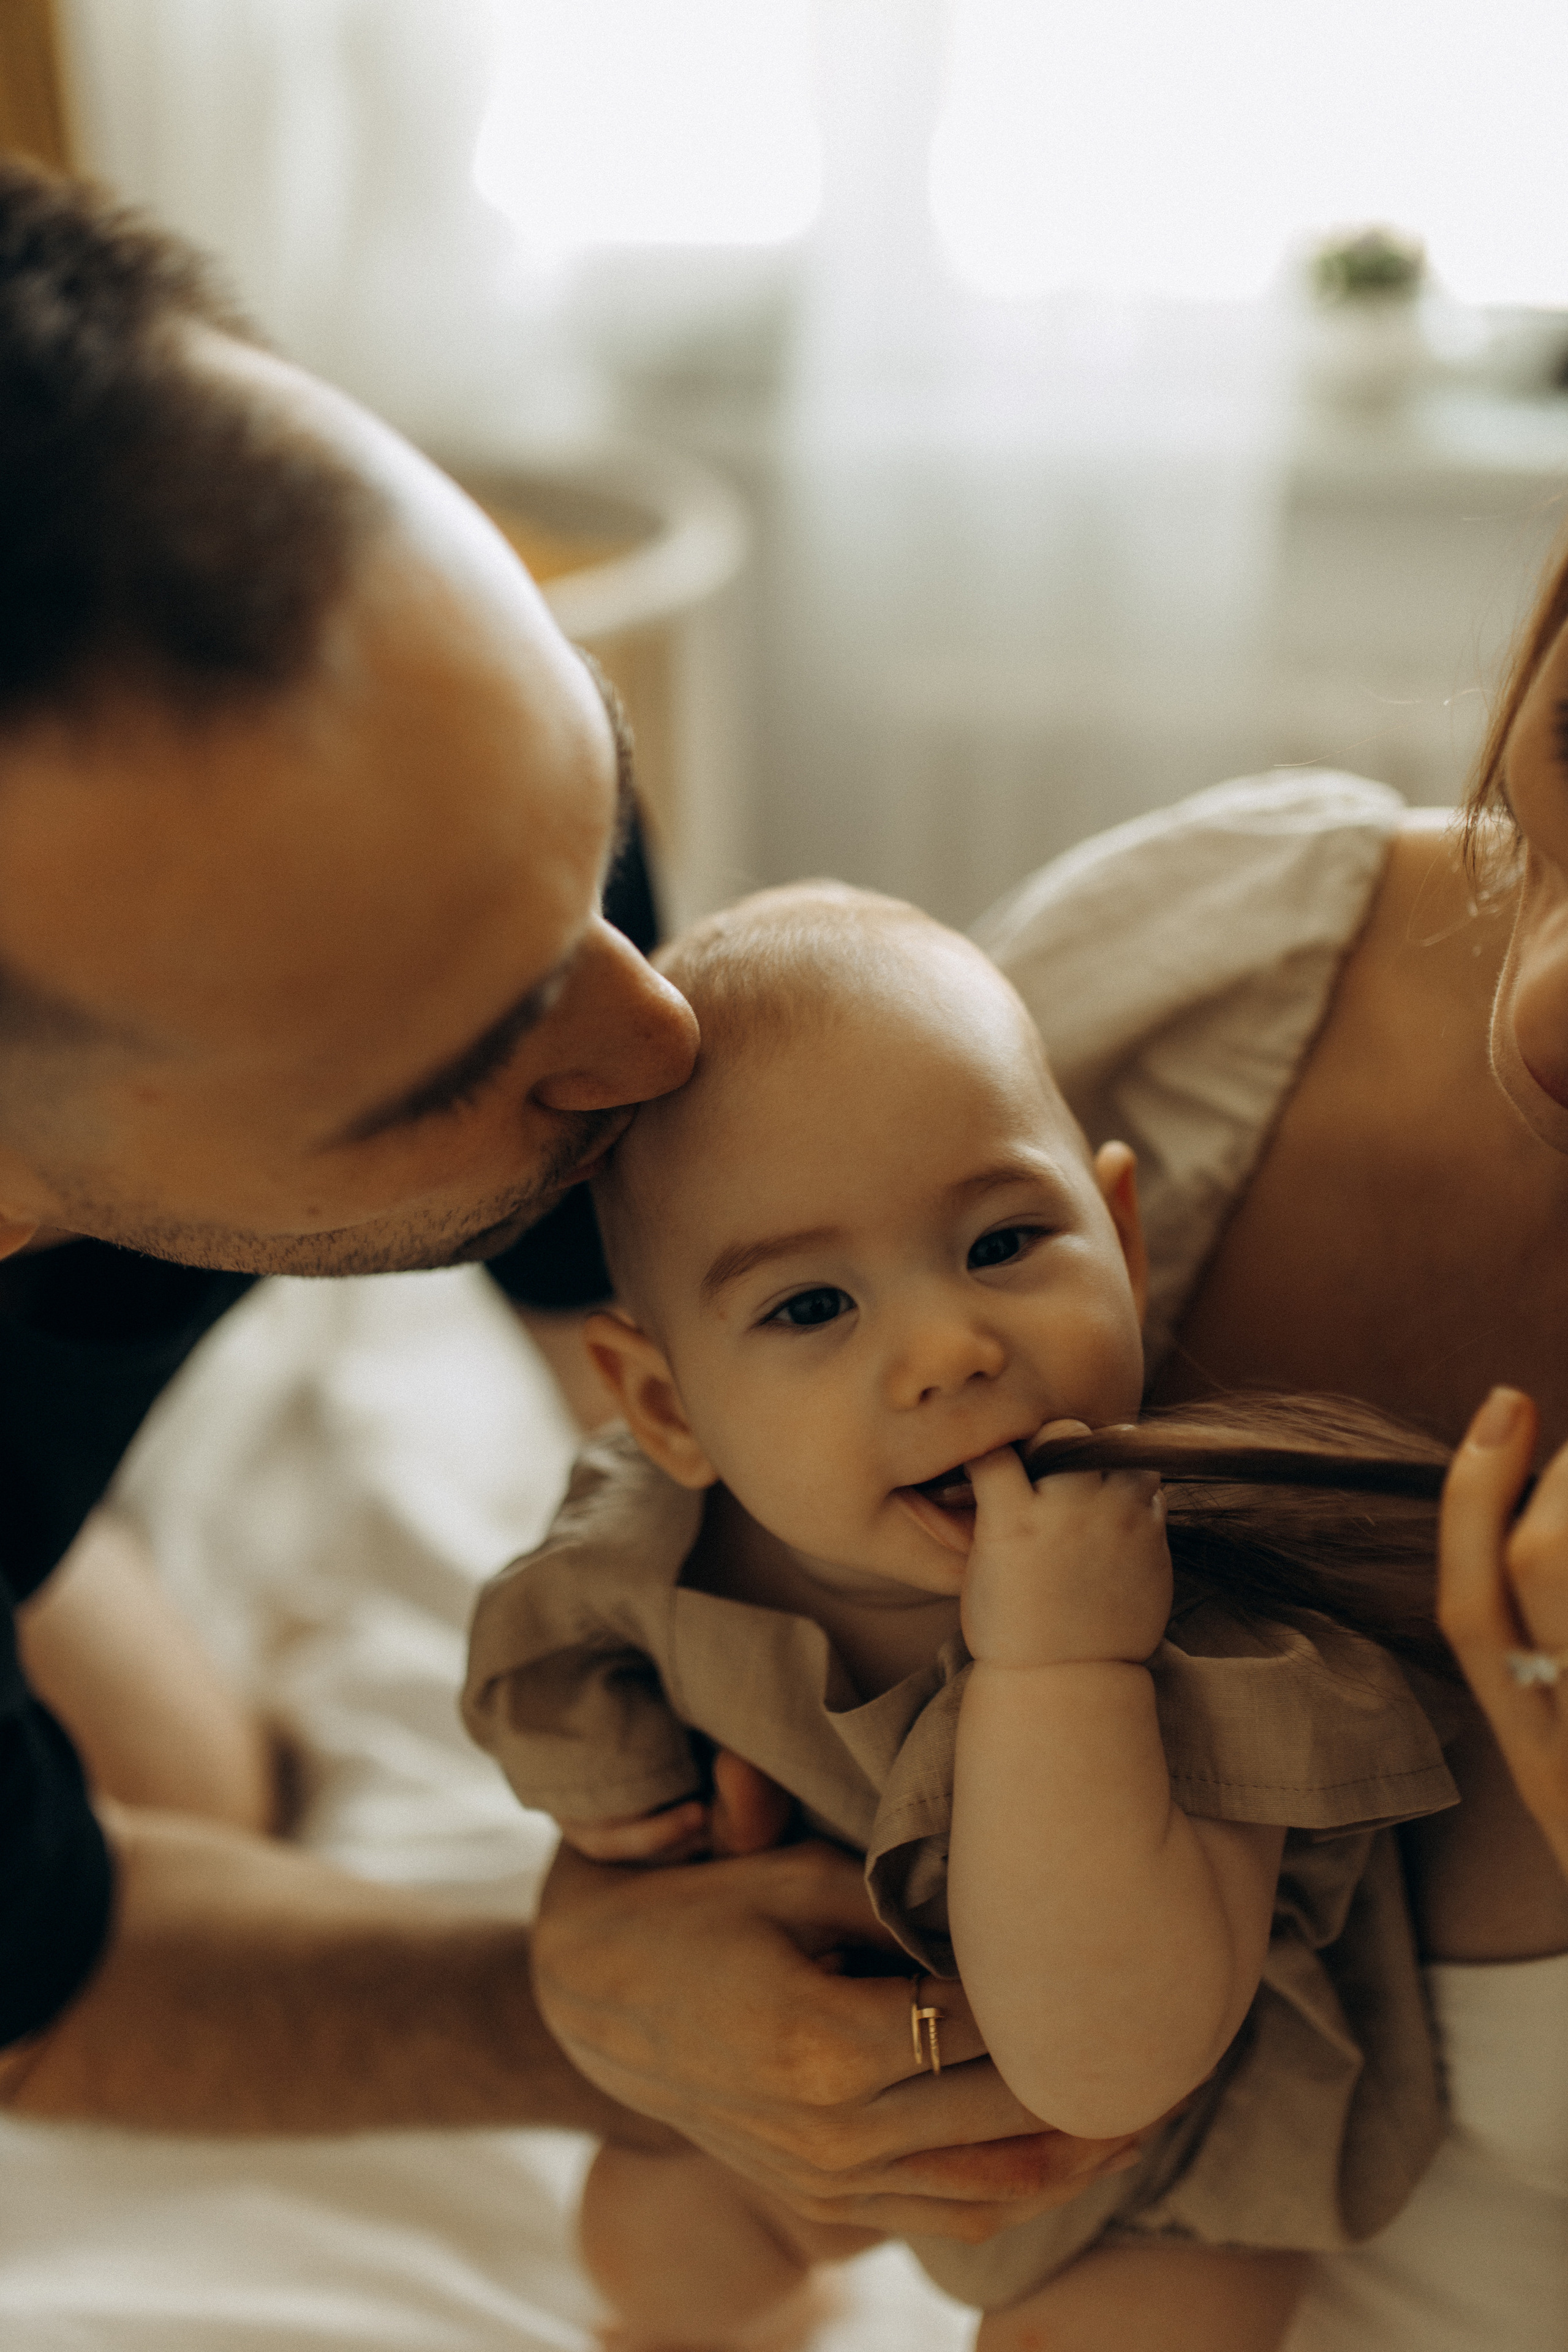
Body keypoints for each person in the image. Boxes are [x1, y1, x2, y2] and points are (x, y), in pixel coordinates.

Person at [0, 156, 1135, 2242]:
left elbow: (651, 1407)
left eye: (585, 814)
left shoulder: (473, 867)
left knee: (208, 1793)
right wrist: (584, 2013)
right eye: (466, 1052)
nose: (657, 1033)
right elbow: (38, 1996)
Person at [466, 882, 1462, 2352]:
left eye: (1002, 1244)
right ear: (665, 1408)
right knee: (644, 2241)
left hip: (1137, 2177)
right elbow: (538, 1674)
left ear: (1121, 1243)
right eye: (809, 1308)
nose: (946, 1350)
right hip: (799, 2071)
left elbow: (1103, 2067)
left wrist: (1062, 1662)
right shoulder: (659, 1550)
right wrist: (622, 1826)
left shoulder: (1200, 1633)